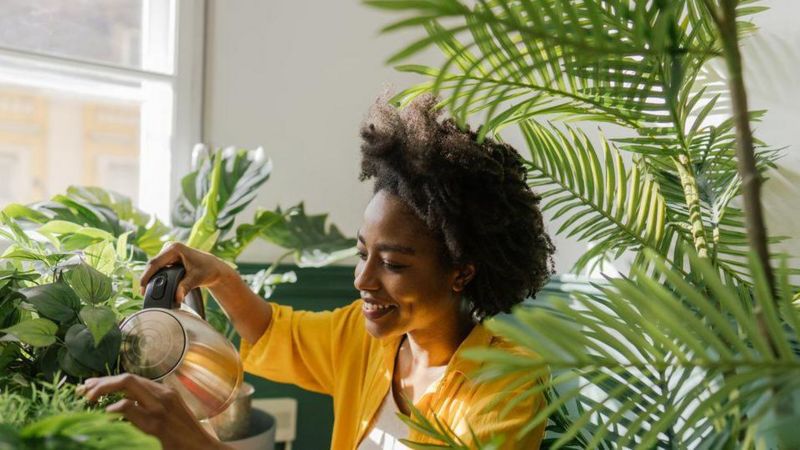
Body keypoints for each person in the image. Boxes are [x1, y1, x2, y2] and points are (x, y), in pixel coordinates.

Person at [80, 94, 556, 450]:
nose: (362, 280)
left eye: (392, 264)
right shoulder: (367, 340)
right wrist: (220, 276)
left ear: (461, 273)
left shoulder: (508, 384)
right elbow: (276, 333)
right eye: (362, 253)